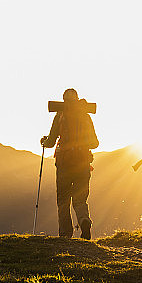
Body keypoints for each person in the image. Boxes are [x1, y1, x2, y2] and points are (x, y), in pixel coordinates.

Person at [41, 88, 99, 239]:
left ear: (63, 100)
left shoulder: (60, 115)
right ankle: (84, 221)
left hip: (64, 164)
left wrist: (44, 142)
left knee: (63, 200)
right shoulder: (85, 116)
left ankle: (65, 235)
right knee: (80, 199)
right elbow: (95, 143)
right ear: (77, 99)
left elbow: (51, 142)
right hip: (83, 164)